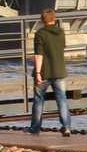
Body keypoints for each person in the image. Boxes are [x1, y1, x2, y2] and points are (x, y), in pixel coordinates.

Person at [30, 7, 72, 136]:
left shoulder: (40, 33)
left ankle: (35, 128)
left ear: (42, 20)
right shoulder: (60, 32)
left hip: (44, 72)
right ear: (54, 18)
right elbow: (62, 46)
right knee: (61, 99)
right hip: (59, 71)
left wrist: (37, 72)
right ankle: (66, 126)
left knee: (38, 100)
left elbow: (39, 54)